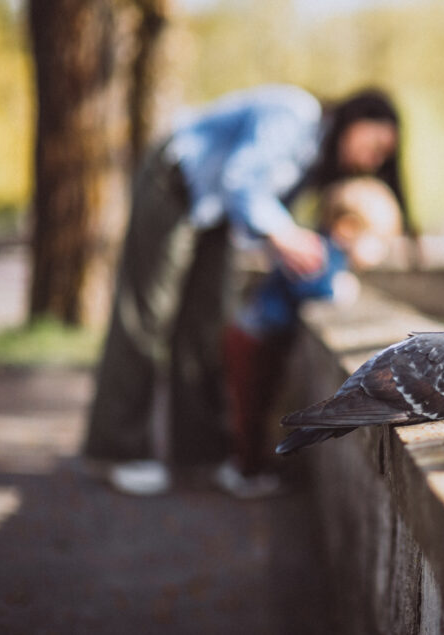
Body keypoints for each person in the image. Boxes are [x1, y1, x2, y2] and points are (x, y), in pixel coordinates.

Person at [83, 84, 408, 495]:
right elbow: (241, 178)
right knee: (146, 317)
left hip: (213, 213)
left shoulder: (313, 165)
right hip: (175, 184)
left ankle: (201, 454)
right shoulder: (296, 115)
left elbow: (256, 220)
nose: (373, 160)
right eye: (376, 144)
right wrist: (285, 234)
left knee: (204, 328)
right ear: (355, 119)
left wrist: (287, 246)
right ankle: (116, 451)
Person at [215, 176, 402, 498]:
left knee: (259, 403)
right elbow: (311, 286)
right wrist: (337, 289)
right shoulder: (319, 252)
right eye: (378, 241)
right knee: (250, 406)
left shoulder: (328, 252)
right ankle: (242, 470)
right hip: (252, 339)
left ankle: (249, 465)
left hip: (258, 336)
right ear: (347, 228)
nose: (381, 252)